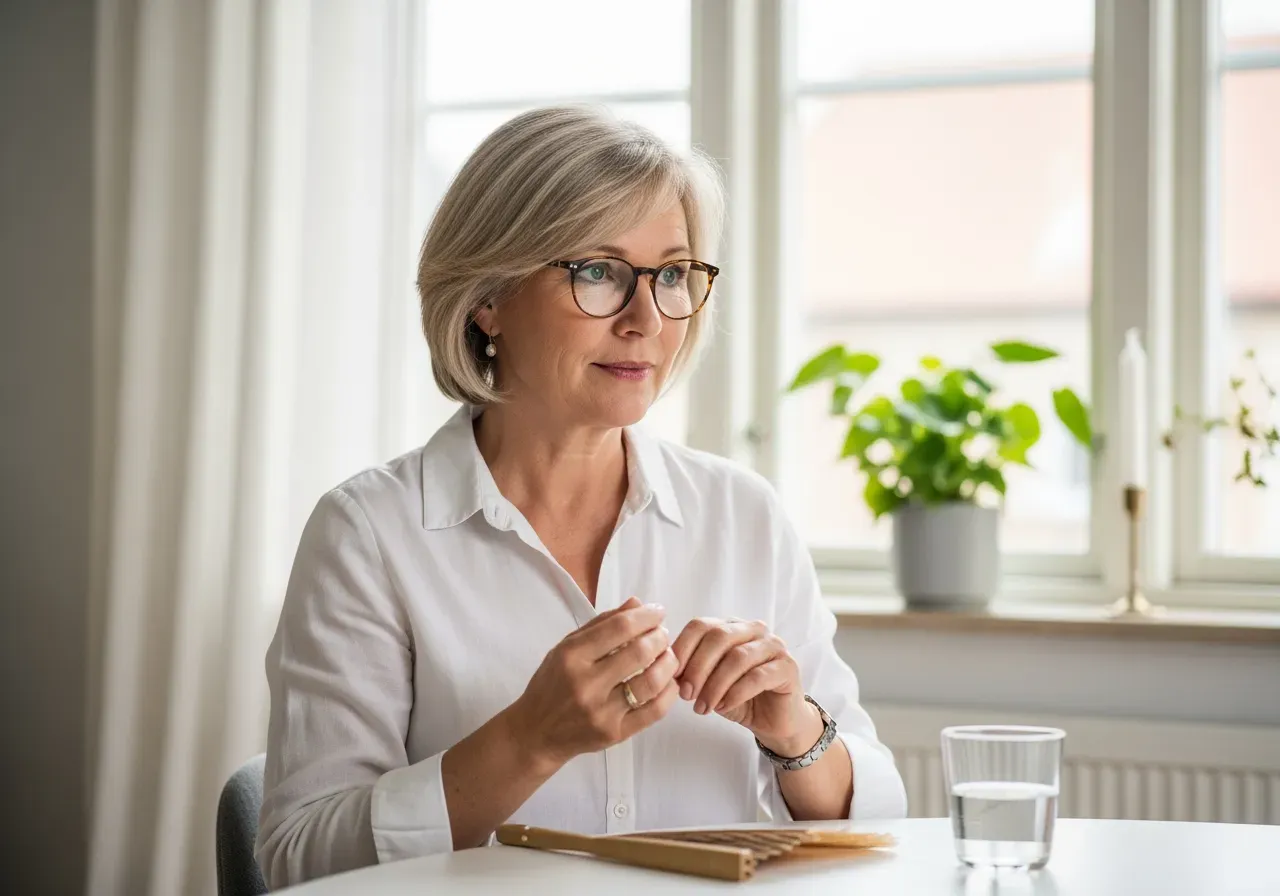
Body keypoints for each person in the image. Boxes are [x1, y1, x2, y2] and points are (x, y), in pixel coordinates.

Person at [255, 105, 906, 889]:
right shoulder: (368, 534)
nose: (646, 319)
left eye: (671, 275)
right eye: (598, 271)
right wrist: (528, 739)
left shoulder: (744, 514)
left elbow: (882, 822)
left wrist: (795, 729)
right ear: (488, 297)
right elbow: (296, 863)